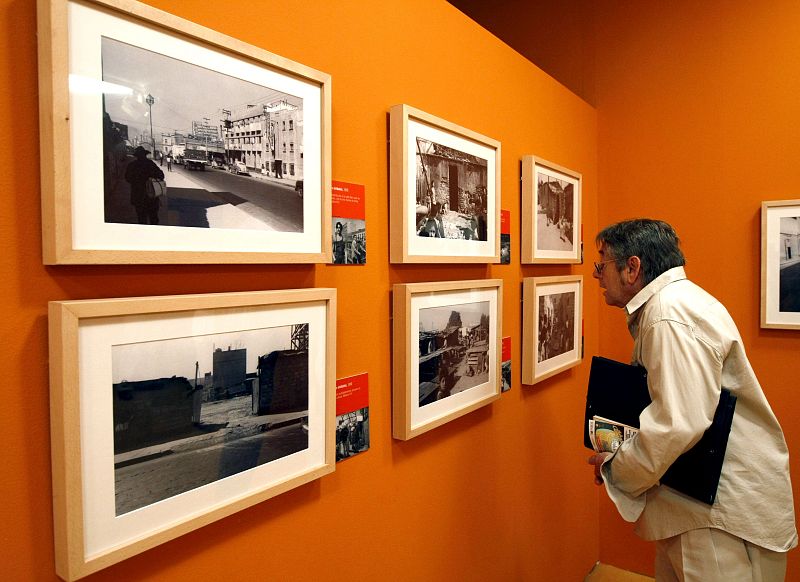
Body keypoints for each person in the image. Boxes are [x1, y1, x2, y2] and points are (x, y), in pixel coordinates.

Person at [587, 219, 797, 581]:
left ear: (632, 268)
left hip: (716, 514)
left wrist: (617, 467)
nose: (596, 274)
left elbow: (678, 424)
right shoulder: (677, 303)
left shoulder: (668, 316)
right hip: (699, 501)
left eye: (601, 262)